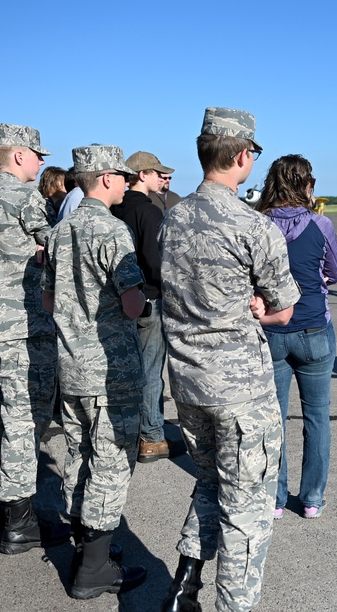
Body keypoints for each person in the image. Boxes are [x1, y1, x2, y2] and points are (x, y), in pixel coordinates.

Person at [158, 107, 300, 612]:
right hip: (241, 392)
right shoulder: (251, 225)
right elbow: (283, 309)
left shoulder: (171, 216)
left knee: (211, 482)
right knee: (248, 513)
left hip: (190, 385)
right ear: (243, 156)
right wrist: (261, 307)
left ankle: (183, 587)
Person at [43, 144, 148, 600]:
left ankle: (90, 548)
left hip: (69, 364)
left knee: (79, 454)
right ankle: (92, 570)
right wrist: (147, 302)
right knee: (109, 463)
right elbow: (131, 303)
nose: (127, 182)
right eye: (123, 176)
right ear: (105, 178)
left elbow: (49, 301)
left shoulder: (59, 230)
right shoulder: (112, 231)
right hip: (109, 370)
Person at [0, 123, 66, 554]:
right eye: (38, 154)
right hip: (20, 327)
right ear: (20, 154)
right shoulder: (26, 197)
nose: (42, 161)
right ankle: (18, 519)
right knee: (23, 419)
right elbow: (57, 249)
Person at [255, 154, 337, 520]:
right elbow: (334, 273)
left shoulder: (257, 224)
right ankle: (311, 499)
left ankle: (275, 498)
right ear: (307, 184)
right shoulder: (321, 225)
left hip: (271, 329)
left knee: (273, 420)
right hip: (314, 329)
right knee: (317, 417)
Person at [112, 150, 175, 463]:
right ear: (142, 175)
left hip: (121, 298)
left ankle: (129, 429)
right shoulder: (148, 212)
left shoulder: (116, 207)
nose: (161, 178)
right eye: (156, 173)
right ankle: (151, 436)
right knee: (151, 370)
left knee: (126, 369)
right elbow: (155, 261)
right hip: (149, 298)